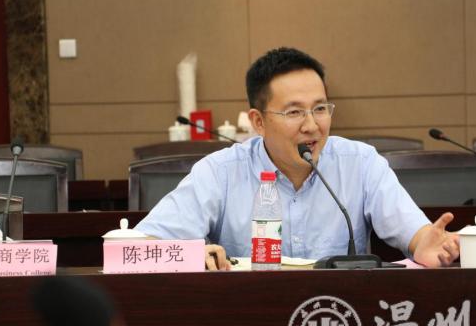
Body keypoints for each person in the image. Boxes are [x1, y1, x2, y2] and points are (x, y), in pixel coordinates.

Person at [135, 47, 459, 270]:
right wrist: (190, 256)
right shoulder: (220, 172)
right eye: (294, 112)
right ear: (258, 122)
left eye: (320, 108)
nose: (312, 125)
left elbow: (416, 235)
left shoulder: (360, 163)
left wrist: (425, 244)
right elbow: (137, 249)